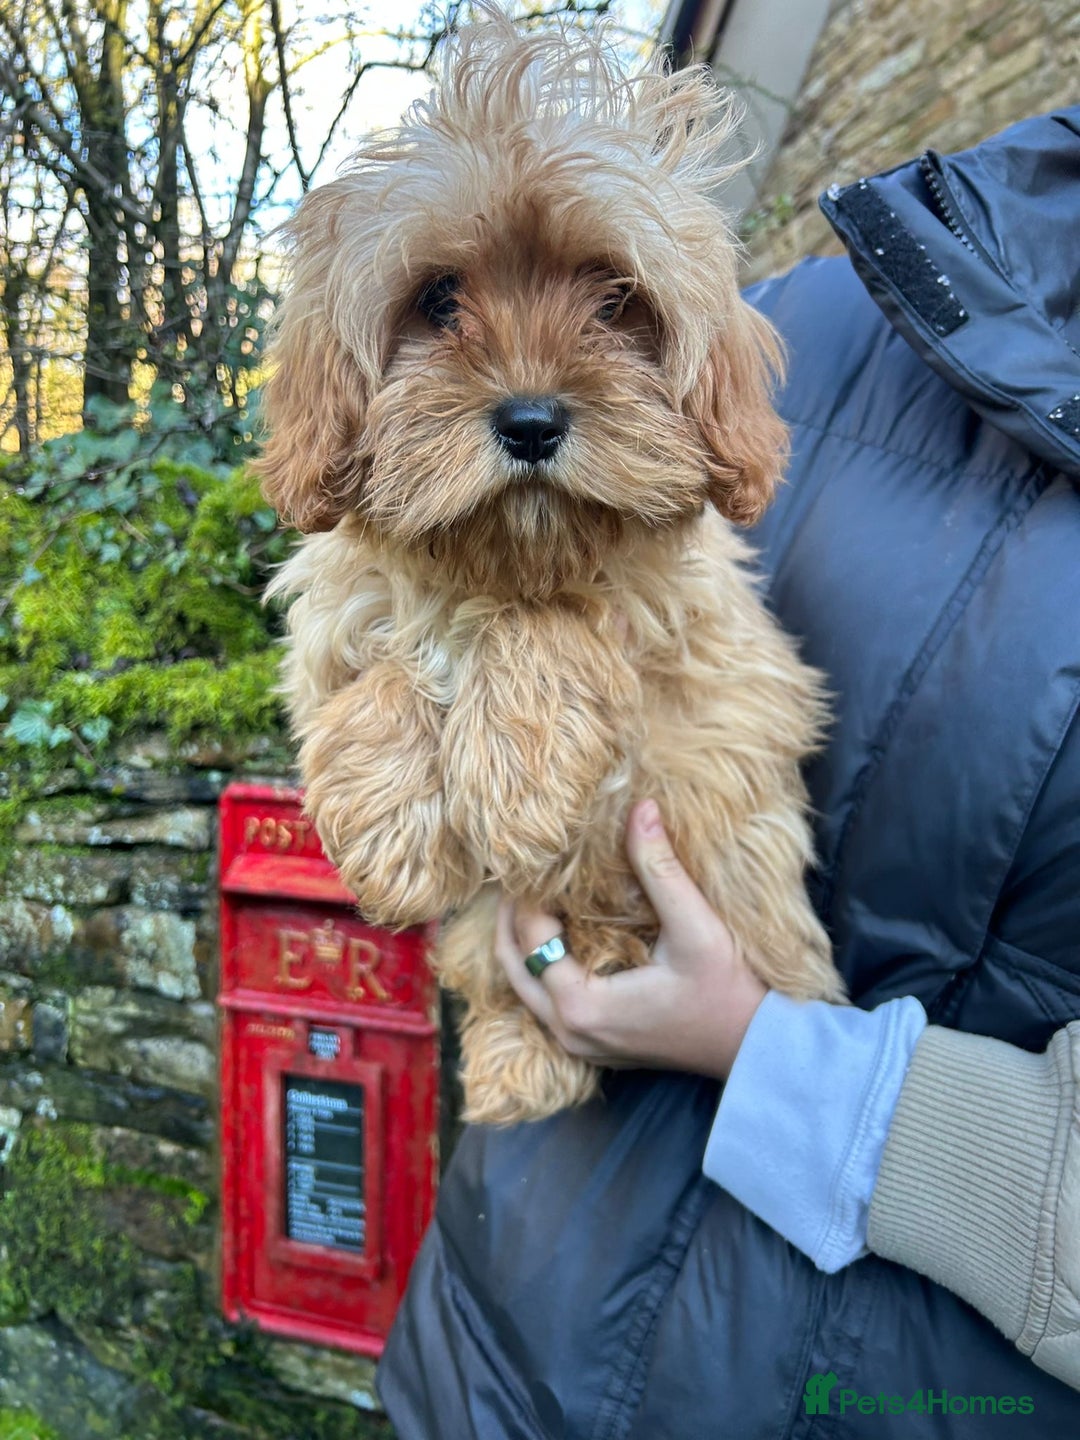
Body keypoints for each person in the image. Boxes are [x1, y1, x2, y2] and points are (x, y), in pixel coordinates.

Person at [378, 107, 1080, 1436]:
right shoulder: (824, 306)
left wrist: (763, 1049)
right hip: (489, 1349)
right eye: (447, 303)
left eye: (609, 305)